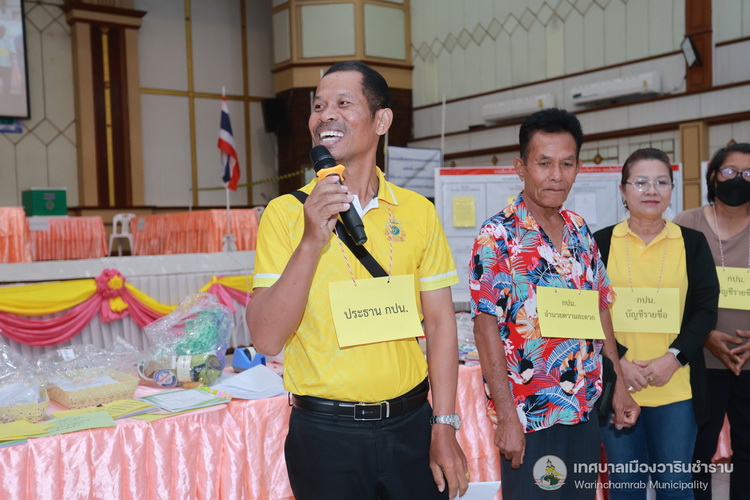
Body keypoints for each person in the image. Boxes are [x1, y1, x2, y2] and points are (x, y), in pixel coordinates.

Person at [247, 61, 469, 500]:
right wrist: (311, 241)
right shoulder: (285, 214)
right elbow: (267, 339)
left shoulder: (418, 212)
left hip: (411, 425)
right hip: (325, 437)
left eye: (343, 103)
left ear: (381, 121)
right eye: (318, 106)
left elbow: (441, 323)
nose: (325, 115)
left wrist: (444, 424)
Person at [469, 108, 640, 500]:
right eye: (544, 163)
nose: (557, 175)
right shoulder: (497, 237)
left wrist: (617, 384)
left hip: (583, 407)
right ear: (521, 167)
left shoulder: (580, 231)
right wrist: (506, 416)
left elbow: (600, 308)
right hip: (531, 415)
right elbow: (485, 329)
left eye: (567, 164)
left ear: (578, 167)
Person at [594, 148, 719, 498]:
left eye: (661, 182)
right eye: (641, 182)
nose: (651, 190)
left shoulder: (692, 243)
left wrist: (673, 358)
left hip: (676, 386)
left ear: (671, 190)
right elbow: (588, 311)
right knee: (626, 487)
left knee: (675, 487)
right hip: (619, 384)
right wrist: (618, 362)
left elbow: (705, 310)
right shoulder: (599, 243)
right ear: (623, 190)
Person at [673, 143, 750, 500]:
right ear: (713, 176)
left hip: (749, 360)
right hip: (699, 360)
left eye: (749, 174)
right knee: (697, 451)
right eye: (730, 171)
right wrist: (704, 335)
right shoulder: (686, 224)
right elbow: (669, 292)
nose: (739, 180)